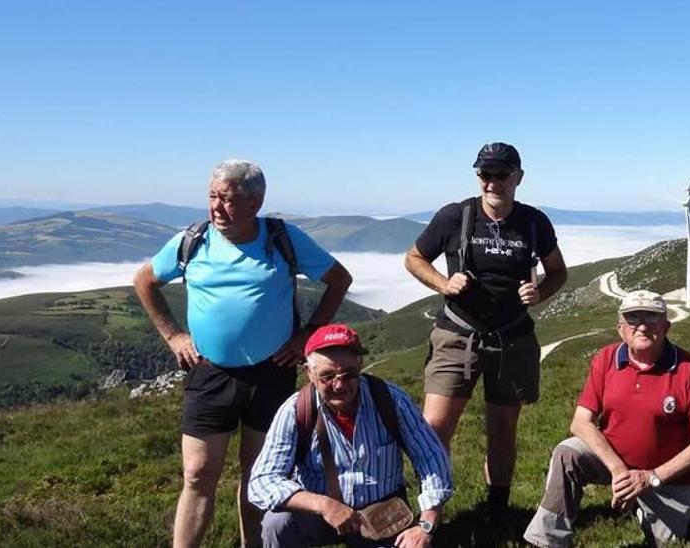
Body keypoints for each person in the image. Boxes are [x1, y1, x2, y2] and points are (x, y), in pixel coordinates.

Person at [132, 159, 353, 548]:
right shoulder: (193, 240)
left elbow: (339, 279)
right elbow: (145, 281)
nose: (217, 207)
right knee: (198, 474)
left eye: (229, 200)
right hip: (209, 372)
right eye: (213, 197)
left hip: (271, 373)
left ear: (256, 202)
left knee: (259, 478)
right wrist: (173, 337)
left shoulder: (283, 238)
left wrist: (307, 336)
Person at [404, 142, 568, 528]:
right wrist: (444, 284)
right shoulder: (454, 216)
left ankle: (497, 510)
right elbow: (413, 258)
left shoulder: (534, 222)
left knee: (502, 428)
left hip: (512, 338)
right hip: (457, 335)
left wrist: (539, 293)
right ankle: (431, 514)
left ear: (518, 178)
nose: (492, 182)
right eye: (485, 174)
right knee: (435, 430)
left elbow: (558, 271)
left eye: (501, 174)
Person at [523, 290, 690, 547]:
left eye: (651, 318)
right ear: (621, 329)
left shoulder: (689, 370)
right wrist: (620, 471)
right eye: (632, 319)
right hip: (613, 463)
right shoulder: (606, 359)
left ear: (666, 326)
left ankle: (643, 507)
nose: (641, 326)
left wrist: (650, 478)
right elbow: (580, 423)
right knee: (567, 453)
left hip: (666, 479)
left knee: (668, 544)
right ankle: (546, 539)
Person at [248, 324, 453, 548]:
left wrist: (426, 524)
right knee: (277, 524)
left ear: (360, 366)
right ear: (308, 372)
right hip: (318, 514)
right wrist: (324, 505)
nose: (339, 385)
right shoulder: (296, 410)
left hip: (381, 513)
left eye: (349, 374)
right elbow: (262, 481)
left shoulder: (390, 400)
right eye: (327, 376)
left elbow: (430, 457)